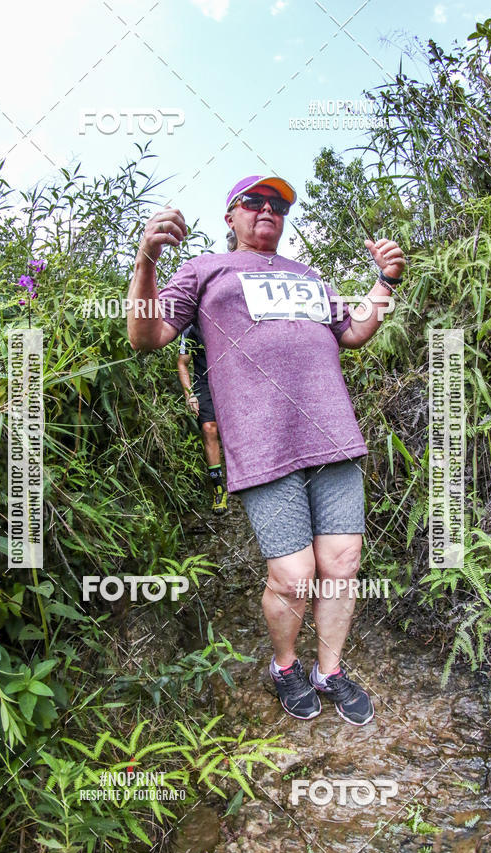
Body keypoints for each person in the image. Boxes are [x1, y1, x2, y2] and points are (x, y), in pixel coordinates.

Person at [127, 174, 406, 725]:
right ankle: (284, 666)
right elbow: (146, 337)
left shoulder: (307, 275)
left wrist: (384, 281)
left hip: (333, 435)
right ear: (229, 216)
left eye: (277, 205)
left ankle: (329, 671)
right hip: (263, 443)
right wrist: (145, 262)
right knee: (295, 575)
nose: (267, 211)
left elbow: (352, 331)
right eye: (253, 202)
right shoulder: (205, 270)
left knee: (343, 564)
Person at [177, 322, 228, 514]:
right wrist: (189, 394)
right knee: (208, 428)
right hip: (204, 383)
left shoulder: (226, 319)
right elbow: (182, 362)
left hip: (230, 380)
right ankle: (218, 488)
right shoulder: (191, 329)